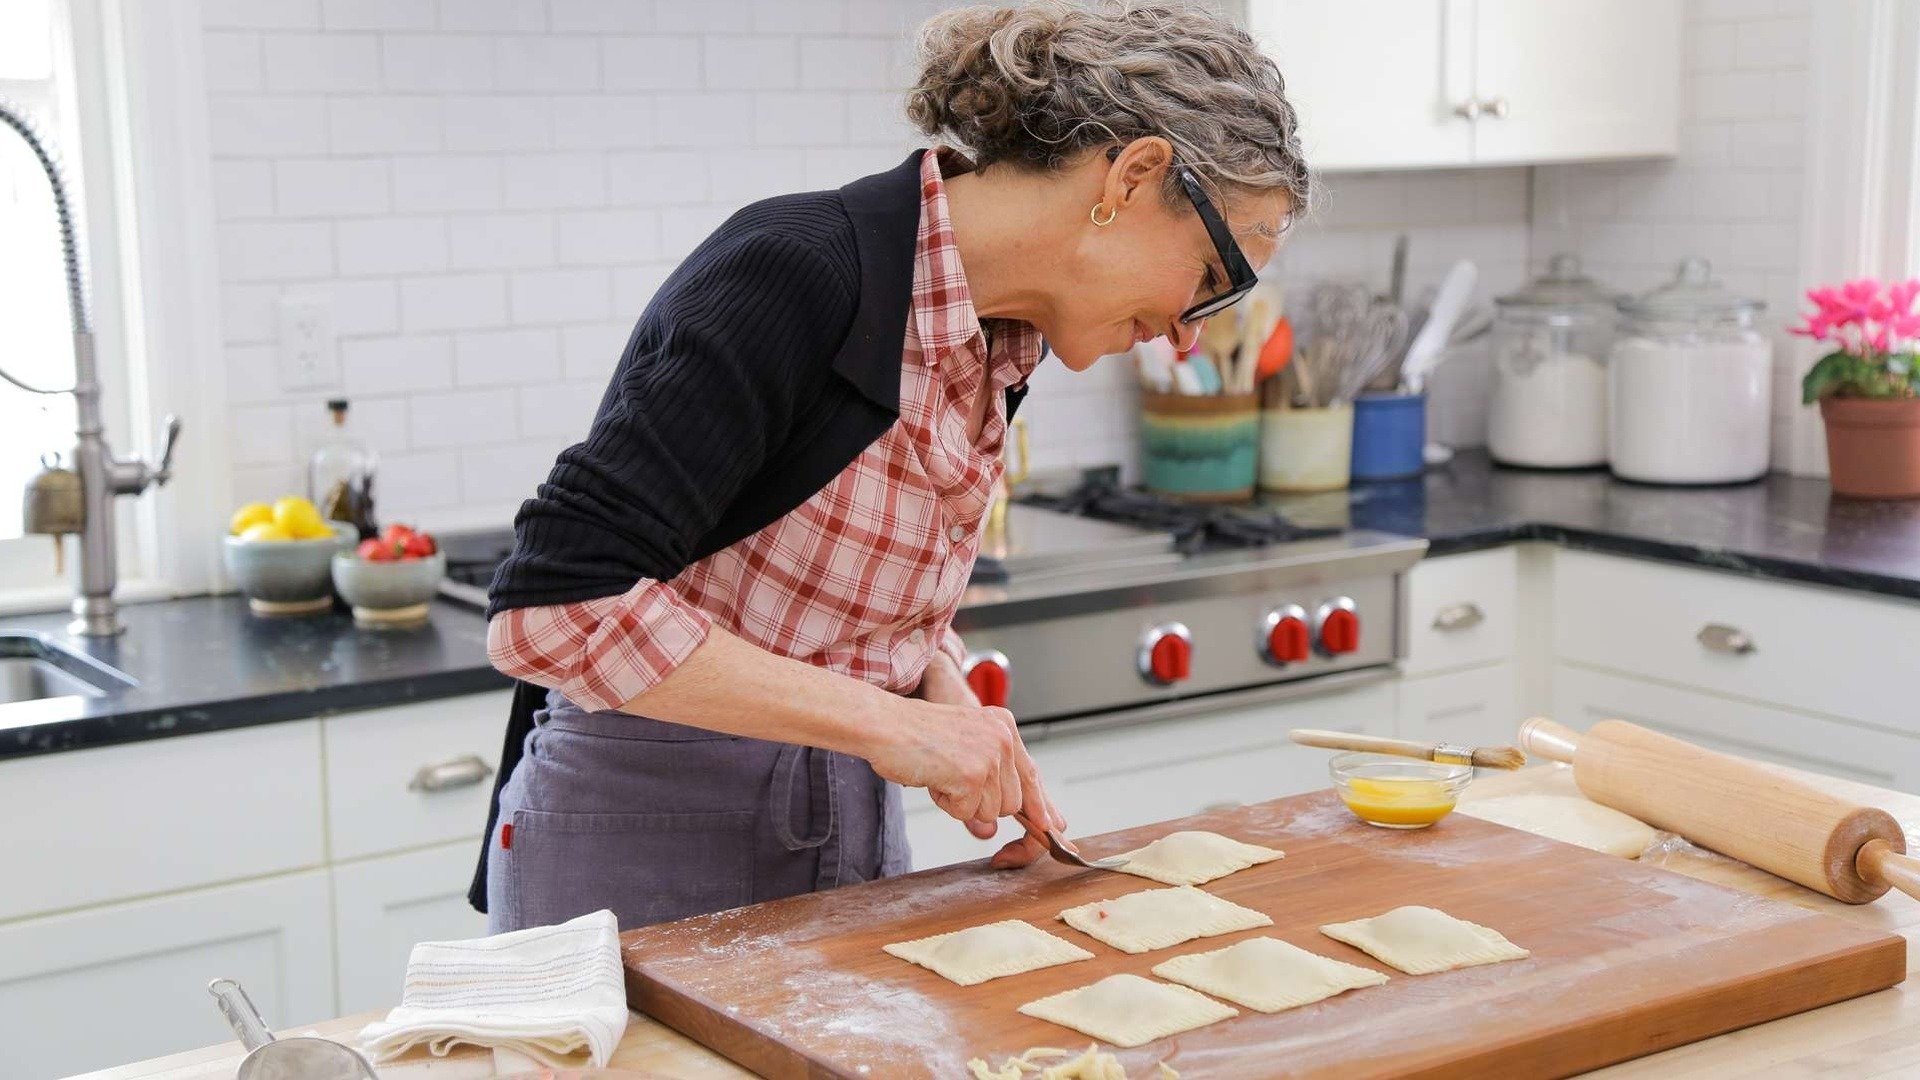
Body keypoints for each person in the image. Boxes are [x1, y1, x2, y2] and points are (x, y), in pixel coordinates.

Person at [470, 0, 1310, 933]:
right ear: (1134, 175)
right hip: (640, 826)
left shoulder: (1006, 338)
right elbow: (552, 611)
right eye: (1211, 272)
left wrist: (939, 688)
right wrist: (898, 727)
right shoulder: (796, 273)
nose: (1193, 330)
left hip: (848, 817)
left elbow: (825, 600)